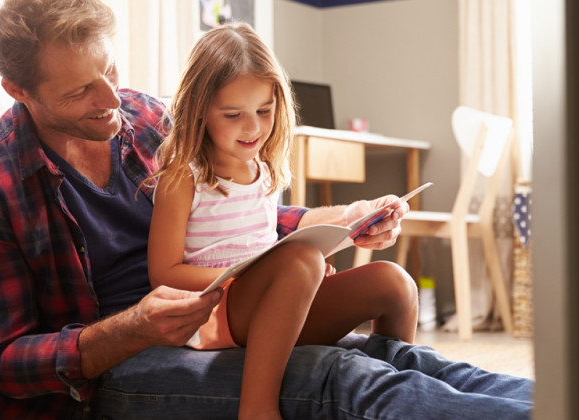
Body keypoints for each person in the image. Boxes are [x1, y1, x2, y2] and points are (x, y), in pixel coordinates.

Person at [0, 0, 534, 418]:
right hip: (120, 367)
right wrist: (129, 329)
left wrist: (338, 220)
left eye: (110, 70)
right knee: (343, 380)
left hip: (233, 305)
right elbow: (6, 364)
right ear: (18, 90)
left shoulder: (147, 119)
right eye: (80, 90)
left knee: (403, 358)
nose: (113, 98)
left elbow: (238, 219)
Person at [146, 23, 418, 419]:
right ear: (199, 111)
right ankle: (257, 407)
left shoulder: (265, 172)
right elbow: (164, 275)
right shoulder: (183, 176)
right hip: (217, 314)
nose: (253, 127)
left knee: (394, 283)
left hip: (273, 306)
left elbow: (268, 244)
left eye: (264, 110)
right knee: (299, 262)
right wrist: (266, 276)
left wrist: (298, 277)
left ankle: (397, 387)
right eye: (233, 114)